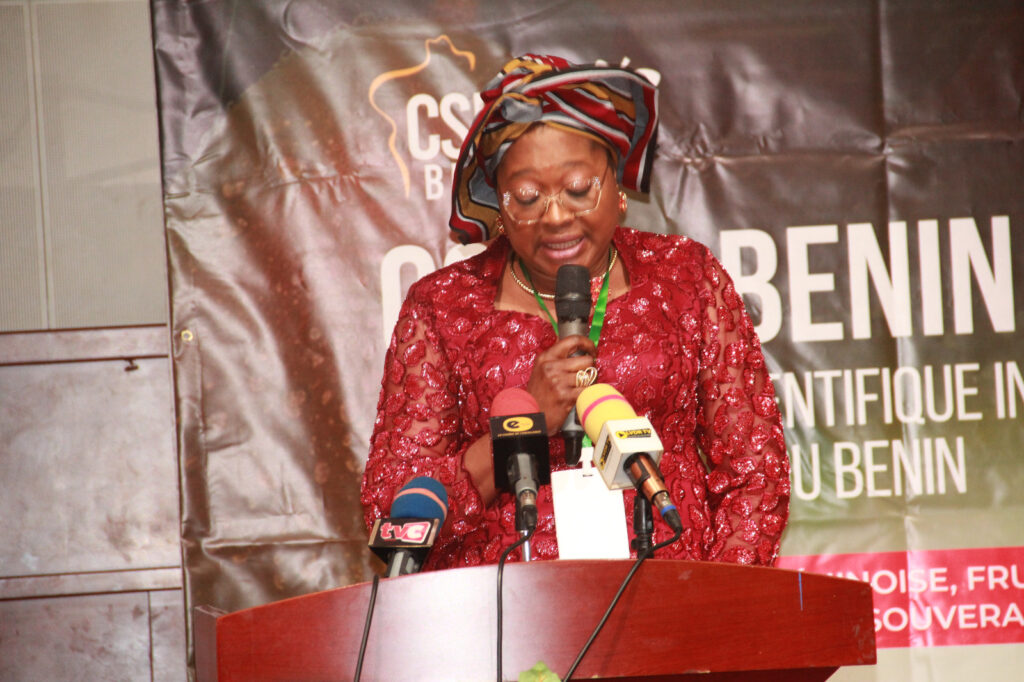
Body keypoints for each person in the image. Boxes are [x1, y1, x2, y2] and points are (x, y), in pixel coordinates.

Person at [361, 54, 789, 571]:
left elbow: (755, 470)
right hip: (506, 607)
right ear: (499, 206)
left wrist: (713, 605)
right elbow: (395, 510)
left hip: (671, 596)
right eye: (527, 197)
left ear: (617, 186)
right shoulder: (443, 306)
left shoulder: (686, 277)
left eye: (579, 189)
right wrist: (523, 426)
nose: (556, 215)